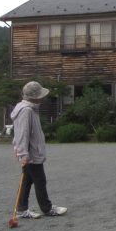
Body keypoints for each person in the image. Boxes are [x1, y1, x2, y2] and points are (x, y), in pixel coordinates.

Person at [11, 81, 68, 218]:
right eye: (40, 96)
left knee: (27, 180)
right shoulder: (27, 110)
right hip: (31, 153)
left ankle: (21, 209)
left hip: (30, 152)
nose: (43, 98)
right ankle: (47, 208)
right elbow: (23, 134)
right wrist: (23, 154)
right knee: (40, 180)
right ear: (34, 97)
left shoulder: (27, 108)